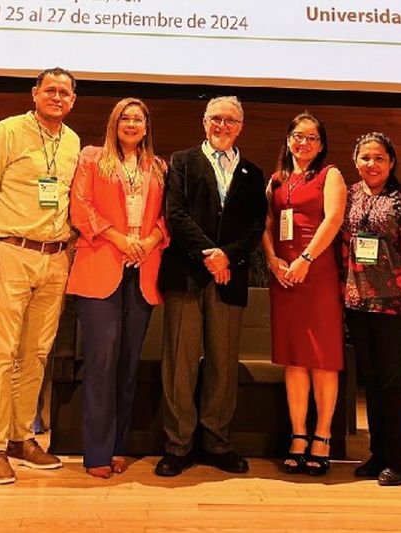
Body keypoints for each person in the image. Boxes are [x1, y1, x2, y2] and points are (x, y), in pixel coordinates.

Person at [0, 67, 79, 485]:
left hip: (56, 257)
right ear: (35, 94)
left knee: (36, 354)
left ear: (73, 101)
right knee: (0, 353)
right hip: (12, 252)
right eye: (50, 90)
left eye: (65, 92)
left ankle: (20, 438)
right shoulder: (6, 132)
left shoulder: (71, 142)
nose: (57, 97)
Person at [155, 96, 267, 477]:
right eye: (216, 118)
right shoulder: (182, 162)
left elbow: (255, 229)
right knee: (179, 365)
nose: (223, 125)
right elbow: (175, 214)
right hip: (186, 276)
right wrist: (209, 254)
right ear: (204, 122)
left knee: (223, 364)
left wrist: (226, 257)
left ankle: (217, 443)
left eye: (231, 120)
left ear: (241, 126)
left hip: (228, 279)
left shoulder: (254, 173)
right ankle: (178, 445)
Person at [67, 97, 168, 479]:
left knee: (127, 366)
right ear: (114, 123)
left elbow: (165, 216)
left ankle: (118, 445)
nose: (131, 123)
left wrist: (151, 239)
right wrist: (119, 239)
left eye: (138, 118)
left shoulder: (158, 167)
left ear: (146, 126)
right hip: (101, 266)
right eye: (124, 117)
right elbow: (81, 207)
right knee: (102, 362)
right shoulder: (92, 158)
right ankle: (96, 452)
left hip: (142, 271)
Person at [340, 132, 401, 486]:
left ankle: (397, 460)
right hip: (357, 302)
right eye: (365, 158)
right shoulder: (349, 195)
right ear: (356, 161)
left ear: (391, 162)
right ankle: (377, 453)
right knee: (371, 382)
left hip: (396, 305)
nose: (372, 164)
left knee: (394, 382)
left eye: (379, 158)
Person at [261, 112, 346, 475]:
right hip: (284, 277)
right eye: (298, 136)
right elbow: (264, 225)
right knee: (294, 358)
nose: (304, 143)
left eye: (312, 137)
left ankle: (322, 436)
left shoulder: (331, 175)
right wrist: (273, 260)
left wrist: (306, 259)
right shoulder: (277, 180)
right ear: (288, 139)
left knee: (322, 358)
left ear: (322, 144)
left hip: (318, 275)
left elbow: (333, 219)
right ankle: (298, 435)